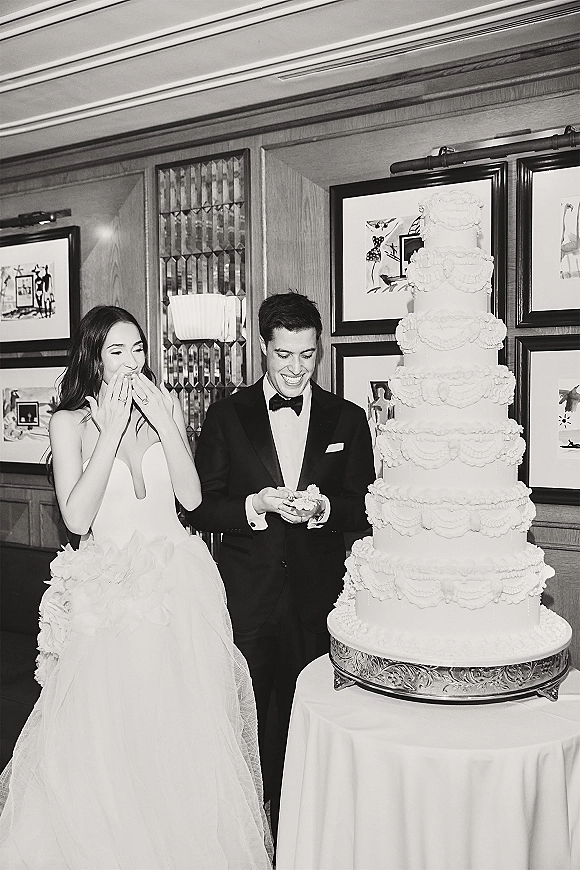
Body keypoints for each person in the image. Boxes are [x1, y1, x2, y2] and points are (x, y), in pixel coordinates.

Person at [0, 305, 272, 870]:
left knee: (184, 726)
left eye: (139, 349)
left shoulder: (164, 403)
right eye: (117, 351)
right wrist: (110, 433)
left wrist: (166, 421)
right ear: (94, 358)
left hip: (179, 583)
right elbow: (77, 518)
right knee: (112, 730)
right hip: (112, 593)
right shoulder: (70, 422)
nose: (131, 361)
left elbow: (192, 499)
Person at [189, 291, 375, 836]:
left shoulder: (348, 418)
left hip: (317, 599)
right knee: (246, 721)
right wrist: (256, 505)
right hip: (248, 598)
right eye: (284, 354)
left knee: (309, 721)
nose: (296, 368)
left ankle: (305, 833)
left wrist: (324, 510)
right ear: (263, 349)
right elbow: (199, 507)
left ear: (319, 351)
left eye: (307, 355)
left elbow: (365, 506)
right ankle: (250, 833)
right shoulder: (227, 415)